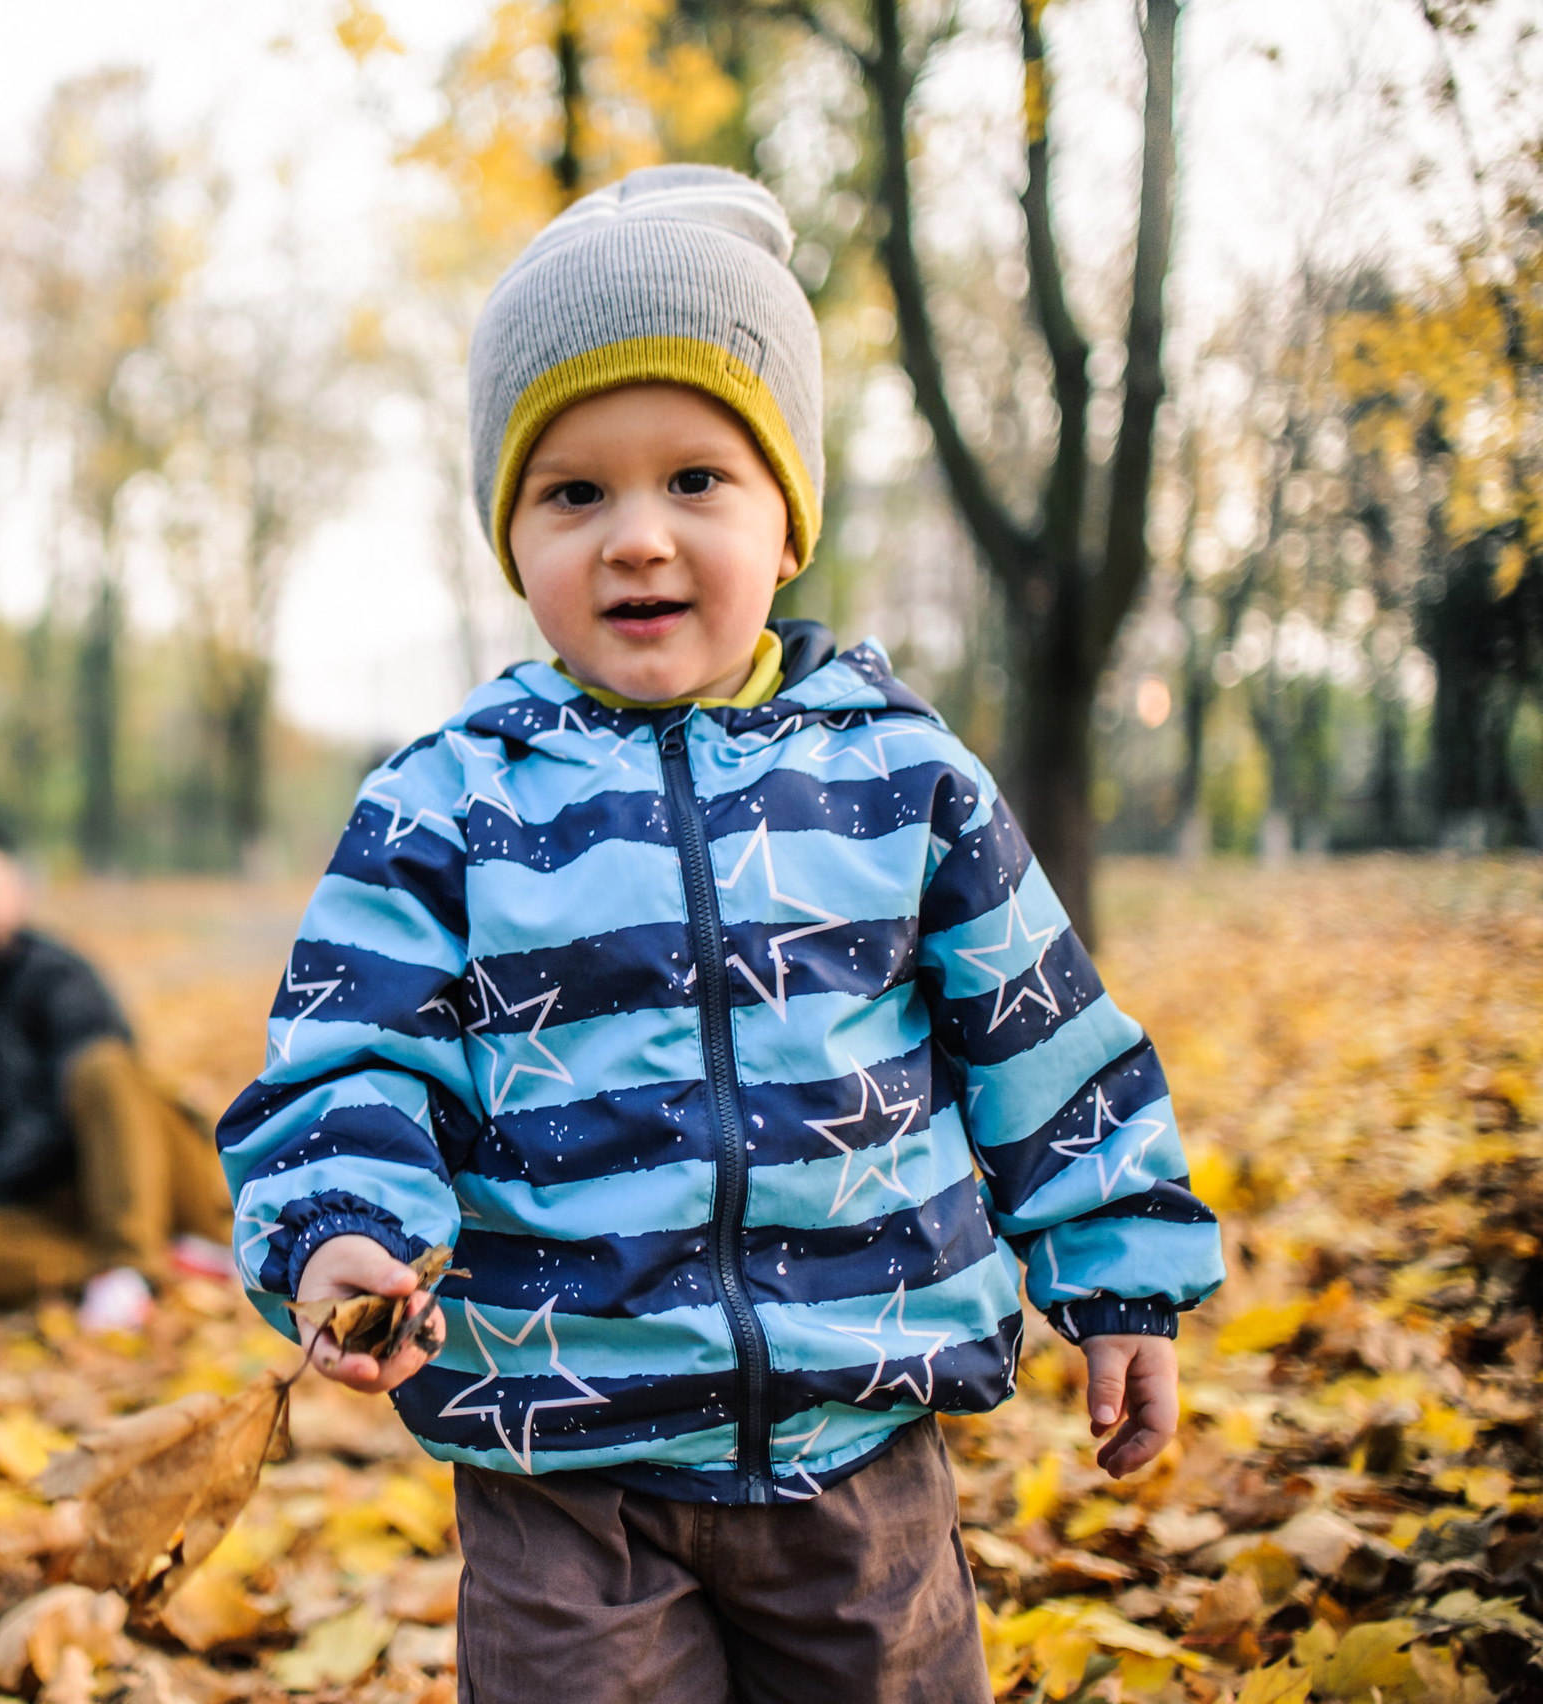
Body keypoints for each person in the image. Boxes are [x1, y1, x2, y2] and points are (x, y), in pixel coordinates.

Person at [216, 165, 1224, 1703]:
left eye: (696, 480)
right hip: (568, 1469)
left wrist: (1120, 1275)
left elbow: (1043, 1039)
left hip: (858, 1450)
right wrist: (342, 1231)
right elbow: (346, 1062)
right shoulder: (446, 805)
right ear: (512, 535)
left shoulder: (899, 779)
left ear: (788, 515)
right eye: (574, 492)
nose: (635, 538)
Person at [0, 819, 232, 1324]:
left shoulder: (61, 976)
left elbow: (94, 1110)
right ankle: (142, 1268)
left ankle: (136, 1258)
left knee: (102, 1066)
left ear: (15, 896)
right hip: (39, 1215)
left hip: (145, 1187)